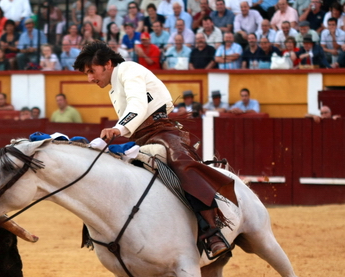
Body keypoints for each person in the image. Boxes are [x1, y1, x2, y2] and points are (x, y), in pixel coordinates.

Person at [73, 41, 236, 258]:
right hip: (140, 138)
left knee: (182, 166)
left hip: (161, 132)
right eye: (87, 74)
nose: (90, 78)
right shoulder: (114, 87)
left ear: (108, 64)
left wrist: (117, 128)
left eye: (91, 71)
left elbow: (137, 104)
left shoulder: (128, 70)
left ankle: (212, 231)